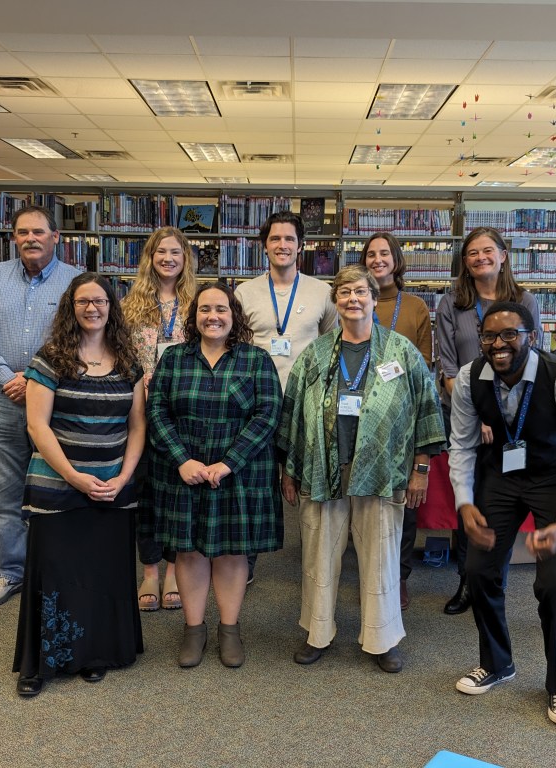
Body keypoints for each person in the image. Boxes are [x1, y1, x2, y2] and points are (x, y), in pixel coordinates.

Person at [278, 265, 445, 673]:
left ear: (373, 299)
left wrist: (420, 468)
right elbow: (293, 414)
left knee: (381, 555)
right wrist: (288, 468)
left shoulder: (401, 352)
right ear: (336, 302)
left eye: (360, 292)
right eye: (344, 292)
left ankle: (382, 637)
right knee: (319, 552)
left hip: (384, 469)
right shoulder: (315, 354)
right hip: (322, 468)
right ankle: (317, 632)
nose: (353, 299)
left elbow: (426, 409)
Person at [448, 301, 556, 726]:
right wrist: (464, 502)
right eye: (488, 336)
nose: (498, 345)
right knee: (478, 571)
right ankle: (498, 662)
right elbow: (462, 446)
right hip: (502, 475)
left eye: (509, 335)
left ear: (532, 336)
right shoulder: (469, 377)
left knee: (555, 586)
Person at [14, 273, 146, 697]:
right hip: (59, 487)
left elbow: (137, 426)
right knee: (56, 574)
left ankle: (94, 653)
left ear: (112, 307)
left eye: (101, 301)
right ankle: (41, 665)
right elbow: (37, 424)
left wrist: (123, 478)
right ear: (71, 308)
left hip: (113, 488)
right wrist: (74, 477)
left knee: (100, 574)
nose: (93, 308)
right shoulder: (51, 358)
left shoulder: (129, 361)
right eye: (84, 302)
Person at [147, 283, 282, 669]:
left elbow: (268, 415)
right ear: (194, 318)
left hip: (238, 472)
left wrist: (228, 462)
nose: (213, 317)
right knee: (188, 549)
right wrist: (182, 460)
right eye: (205, 310)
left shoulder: (256, 360)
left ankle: (229, 628)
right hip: (183, 470)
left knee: (231, 551)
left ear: (234, 315)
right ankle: (194, 628)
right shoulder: (173, 359)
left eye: (221, 309)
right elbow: (156, 412)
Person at [0, 205, 80, 606]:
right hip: (4, 399)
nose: (30, 238)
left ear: (56, 236)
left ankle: (57, 566)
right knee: (3, 489)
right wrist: (4, 376)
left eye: (38, 231)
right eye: (22, 232)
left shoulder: (76, 282)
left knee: (59, 484)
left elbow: (84, 338)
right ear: (13, 237)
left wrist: (36, 379)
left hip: (59, 402)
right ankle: (9, 570)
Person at [436, 226, 541, 616]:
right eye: (472, 253)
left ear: (502, 255)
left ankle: (495, 577)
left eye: (487, 251)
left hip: (515, 420)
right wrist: (477, 413)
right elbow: (447, 364)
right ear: (464, 262)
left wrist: (510, 417)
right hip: (469, 417)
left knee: (504, 498)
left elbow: (535, 359)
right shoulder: (453, 303)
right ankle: (467, 579)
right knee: (469, 498)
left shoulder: (526, 299)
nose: (480, 258)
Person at [235, 209, 337, 583]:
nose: (282, 245)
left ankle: (315, 560)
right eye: (275, 239)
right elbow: (236, 346)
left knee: (309, 485)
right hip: (257, 405)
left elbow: (330, 342)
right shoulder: (244, 292)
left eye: (289, 239)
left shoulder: (322, 292)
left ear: (301, 246)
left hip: (306, 407)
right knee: (255, 486)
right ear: (265, 246)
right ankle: (246, 559)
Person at [121, 226, 196, 613]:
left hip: (181, 411)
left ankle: (173, 569)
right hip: (137, 410)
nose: (168, 258)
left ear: (186, 260)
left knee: (177, 493)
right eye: (161, 252)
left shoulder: (197, 303)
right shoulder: (128, 305)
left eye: (176, 253)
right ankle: (149, 570)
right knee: (144, 491)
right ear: (150, 258)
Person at [361, 232, 433, 611]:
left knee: (402, 502)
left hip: (400, 420)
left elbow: (422, 366)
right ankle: (365, 571)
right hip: (358, 415)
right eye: (370, 254)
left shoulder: (416, 306)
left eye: (384, 253)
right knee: (363, 499)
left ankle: (399, 576)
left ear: (396, 259)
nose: (377, 260)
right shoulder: (354, 299)